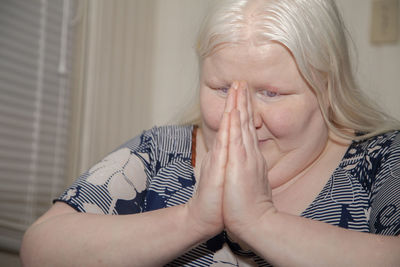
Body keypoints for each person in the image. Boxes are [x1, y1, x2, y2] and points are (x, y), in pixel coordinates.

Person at [21, 0, 400, 266]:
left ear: (328, 90)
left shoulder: (382, 160)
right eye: (222, 89)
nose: (242, 116)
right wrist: (194, 219)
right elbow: (41, 249)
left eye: (271, 93)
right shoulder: (163, 150)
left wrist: (259, 221)